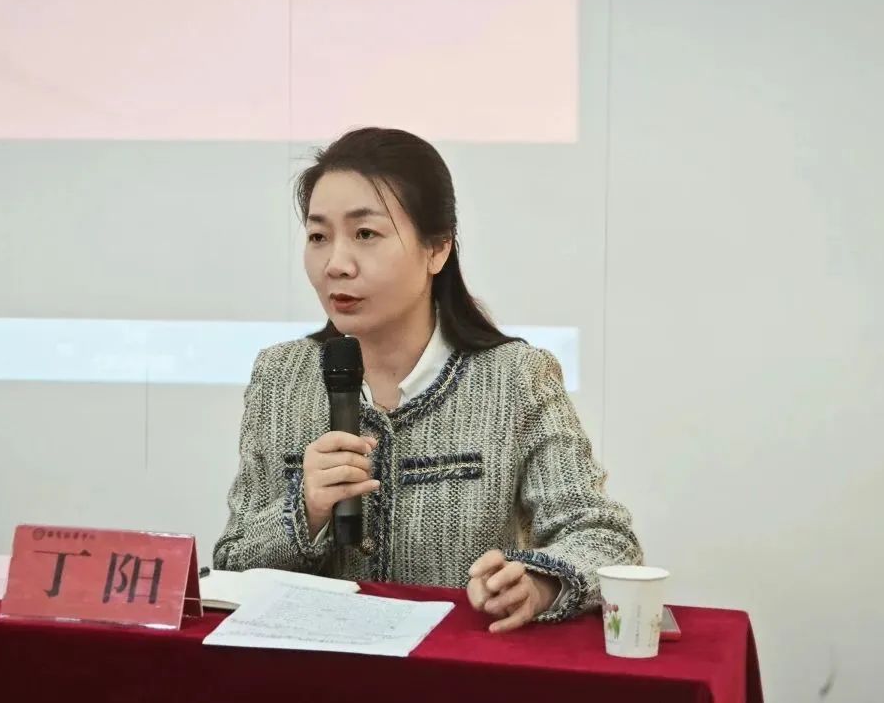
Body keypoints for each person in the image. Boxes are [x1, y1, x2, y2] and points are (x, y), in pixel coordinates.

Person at [213, 128, 641, 633]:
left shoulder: (515, 379)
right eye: (318, 237)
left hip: (456, 668)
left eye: (365, 234)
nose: (336, 265)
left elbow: (605, 538)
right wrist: (304, 510)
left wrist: (539, 582)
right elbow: (230, 565)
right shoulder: (280, 378)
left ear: (437, 249)